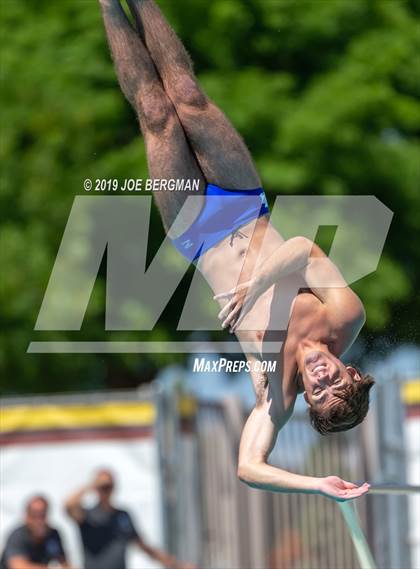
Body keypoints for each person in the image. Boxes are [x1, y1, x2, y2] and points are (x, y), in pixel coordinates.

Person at [98, 0, 374, 501]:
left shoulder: (278, 393)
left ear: (308, 400)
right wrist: (256, 285)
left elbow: (249, 467)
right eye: (335, 382)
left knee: (156, 113)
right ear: (349, 370)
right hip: (244, 205)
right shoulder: (345, 317)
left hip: (195, 230)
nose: (321, 380)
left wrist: (317, 485)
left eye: (319, 392)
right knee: (185, 95)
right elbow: (303, 249)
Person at [64, 469, 195, 569]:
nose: (106, 491)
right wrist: (91, 485)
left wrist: (177, 564)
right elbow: (68, 505)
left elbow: (144, 547)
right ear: (96, 489)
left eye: (108, 487)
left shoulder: (122, 516)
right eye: (102, 487)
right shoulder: (87, 515)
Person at [0, 495, 70, 569]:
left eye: (42, 515)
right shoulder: (17, 536)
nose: (38, 520)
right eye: (34, 514)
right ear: (27, 516)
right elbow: (18, 566)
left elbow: (64, 563)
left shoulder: (53, 534)